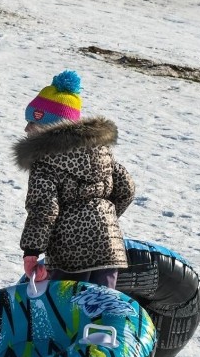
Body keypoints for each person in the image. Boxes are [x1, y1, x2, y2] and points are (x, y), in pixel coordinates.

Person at [16, 70, 135, 288]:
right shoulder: (102, 151)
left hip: (69, 250)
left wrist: (31, 253)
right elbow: (126, 188)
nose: (26, 128)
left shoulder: (45, 160)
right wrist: (105, 216)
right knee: (100, 310)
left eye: (31, 122)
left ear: (47, 127)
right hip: (110, 247)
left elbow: (44, 208)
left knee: (67, 313)